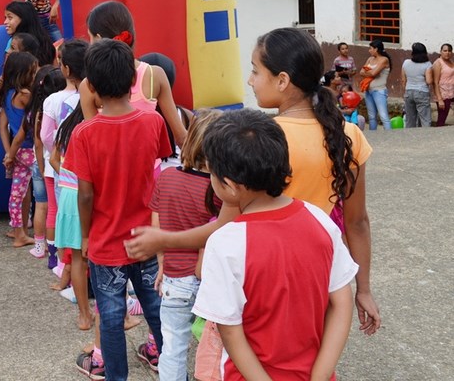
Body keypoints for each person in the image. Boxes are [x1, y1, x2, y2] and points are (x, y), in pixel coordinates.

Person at [126, 27, 382, 338]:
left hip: (261, 281)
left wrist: (163, 240)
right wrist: (363, 289)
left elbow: (225, 225)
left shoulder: (262, 140)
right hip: (319, 278)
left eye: (255, 71)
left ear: (283, 80)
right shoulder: (348, 135)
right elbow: (356, 223)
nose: (250, 80)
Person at [192, 109, 358, 380]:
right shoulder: (319, 219)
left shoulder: (225, 243)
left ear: (231, 186)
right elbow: (341, 302)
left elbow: (230, 331)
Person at [69, 39, 171, 381]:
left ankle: (117, 377)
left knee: (111, 317)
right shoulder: (153, 123)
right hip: (145, 236)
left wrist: (85, 235)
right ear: (132, 81)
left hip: (106, 241)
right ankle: (172, 368)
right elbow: (154, 170)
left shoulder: (84, 133)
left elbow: (85, 194)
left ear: (92, 87)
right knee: (156, 309)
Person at [150, 109, 221, 381]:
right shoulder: (219, 190)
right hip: (209, 280)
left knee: (173, 347)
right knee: (215, 347)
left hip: (174, 278)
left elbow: (157, 224)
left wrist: (161, 265)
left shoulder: (167, 177)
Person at [79, 1, 187, 149]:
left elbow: (93, 144)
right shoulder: (154, 75)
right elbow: (181, 137)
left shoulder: (88, 85)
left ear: (98, 38)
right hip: (149, 170)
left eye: (89, 37)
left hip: (110, 171)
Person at [41, 39, 88, 271]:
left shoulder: (61, 102)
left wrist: (56, 156)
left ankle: (63, 264)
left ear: (66, 69)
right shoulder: (99, 98)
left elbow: (47, 135)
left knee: (63, 216)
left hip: (66, 172)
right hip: (83, 173)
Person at [0, 51, 39, 247]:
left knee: (18, 192)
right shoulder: (25, 95)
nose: (35, 75)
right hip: (30, 150)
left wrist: (9, 153)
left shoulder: (7, 94)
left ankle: (18, 229)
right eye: (32, 72)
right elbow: (26, 128)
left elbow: (3, 124)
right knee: (44, 189)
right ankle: (25, 232)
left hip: (18, 151)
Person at [25, 64, 65, 259]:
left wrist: (40, 166)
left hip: (42, 164)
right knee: (56, 208)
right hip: (50, 165)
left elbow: (37, 142)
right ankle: (56, 249)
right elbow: (43, 142)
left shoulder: (38, 110)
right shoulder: (61, 106)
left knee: (42, 206)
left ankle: (41, 245)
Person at [3, 0, 55, 66]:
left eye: (10, 18)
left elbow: (7, 70)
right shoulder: (46, 40)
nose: (5, 22)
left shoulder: (14, 41)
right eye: (5, 18)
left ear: (24, 18)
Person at [359, 38, 392, 130]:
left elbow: (374, 73)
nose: (369, 51)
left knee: (383, 116)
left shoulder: (384, 60)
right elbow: (361, 72)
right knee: (371, 116)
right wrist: (370, 72)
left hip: (379, 90)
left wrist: (368, 72)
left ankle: (390, 136)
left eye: (371, 49)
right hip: (368, 90)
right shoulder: (370, 59)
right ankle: (373, 134)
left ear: (376, 49)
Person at [401, 42, 433, 128]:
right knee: (425, 119)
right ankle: (426, 137)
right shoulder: (427, 64)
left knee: (410, 119)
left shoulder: (406, 62)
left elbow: (403, 80)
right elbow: (429, 81)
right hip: (422, 92)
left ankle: (410, 138)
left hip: (408, 91)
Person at [432, 43, 454, 126]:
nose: (447, 53)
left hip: (451, 92)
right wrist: (440, 99)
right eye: (445, 51)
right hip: (443, 94)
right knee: (442, 117)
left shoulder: (450, 62)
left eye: (449, 51)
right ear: (440, 52)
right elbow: (435, 82)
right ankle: (438, 135)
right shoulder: (438, 63)